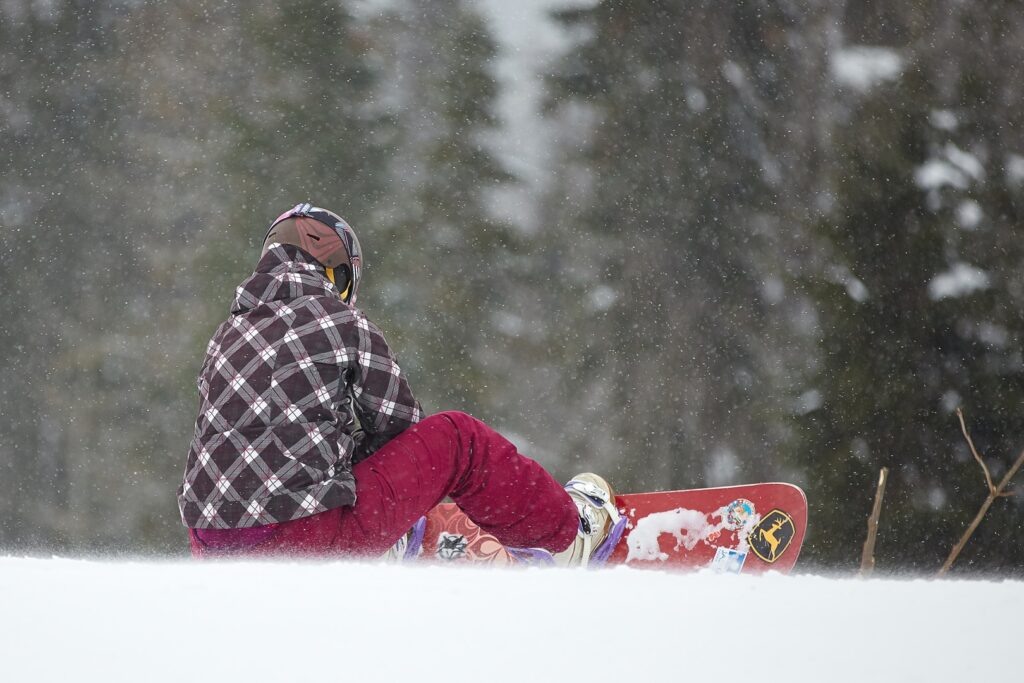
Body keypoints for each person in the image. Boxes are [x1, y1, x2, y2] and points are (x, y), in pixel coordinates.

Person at [177, 203, 623, 565]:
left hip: (213, 545)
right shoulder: (340, 320)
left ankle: (386, 543)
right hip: (307, 538)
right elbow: (400, 429)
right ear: (338, 273)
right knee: (457, 438)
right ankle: (566, 538)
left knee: (318, 450)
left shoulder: (226, 334)